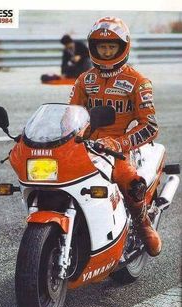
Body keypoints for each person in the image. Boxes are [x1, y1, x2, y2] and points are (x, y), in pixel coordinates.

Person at [69, 17, 162, 257]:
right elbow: (70, 115)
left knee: (129, 180)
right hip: (86, 143)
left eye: (112, 46)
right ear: (94, 48)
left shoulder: (139, 82)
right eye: (102, 47)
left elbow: (150, 126)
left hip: (121, 147)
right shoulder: (84, 80)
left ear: (122, 48)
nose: (107, 51)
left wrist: (118, 142)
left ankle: (143, 225)